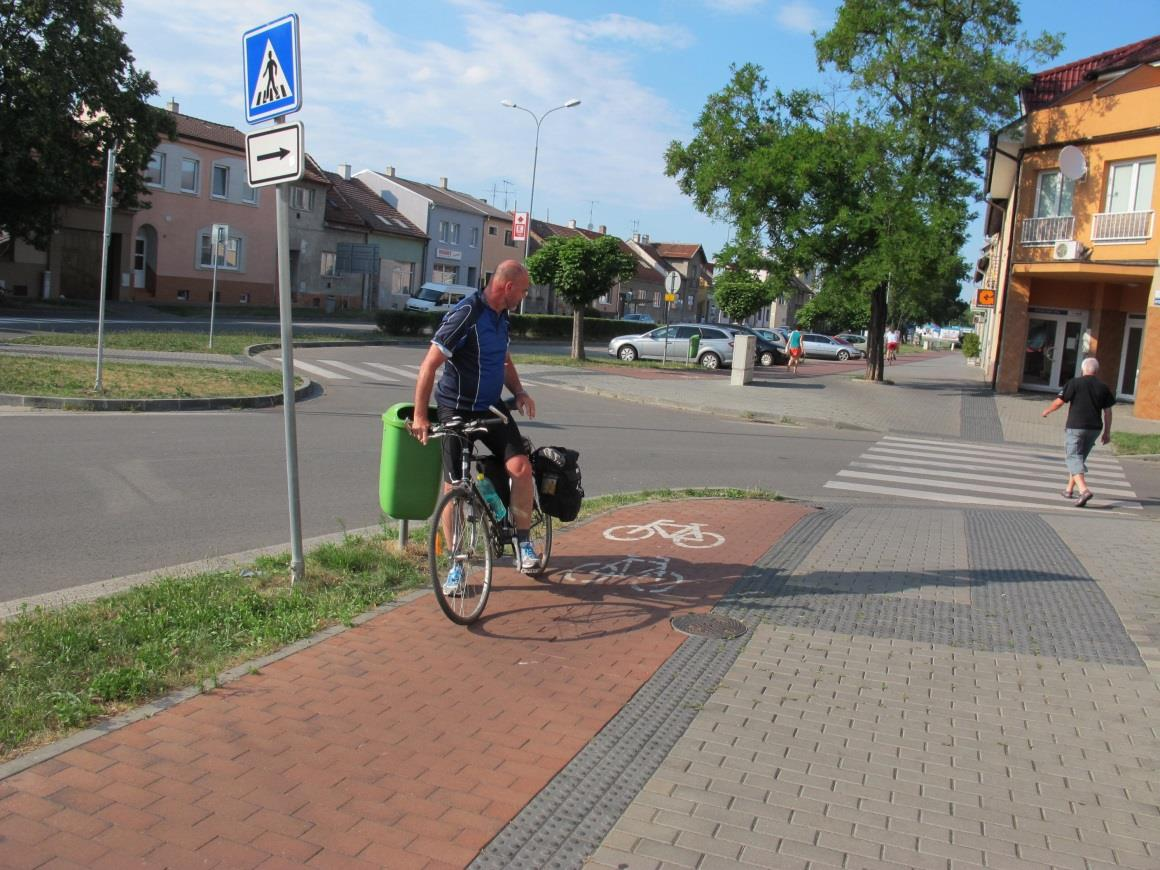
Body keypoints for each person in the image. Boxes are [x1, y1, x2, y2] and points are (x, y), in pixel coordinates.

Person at [409, 261, 541, 590]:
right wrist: (421, 415)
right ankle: (456, 563)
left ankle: (523, 543)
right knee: (455, 486)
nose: (524, 296)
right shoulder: (467, 313)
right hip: (456, 408)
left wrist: (519, 391)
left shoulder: (502, 315)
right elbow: (428, 366)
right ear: (508, 287)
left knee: (522, 468)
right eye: (523, 290)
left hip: (490, 407)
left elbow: (504, 359)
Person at [1041, 357, 1115, 508]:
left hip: (1076, 427)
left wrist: (1047, 411)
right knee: (1078, 459)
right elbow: (1108, 412)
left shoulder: (1074, 383)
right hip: (1094, 428)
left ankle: (1084, 491)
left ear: (1082, 369)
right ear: (1097, 371)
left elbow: (1059, 401)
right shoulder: (1103, 387)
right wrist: (1107, 432)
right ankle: (1069, 490)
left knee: (1073, 458)